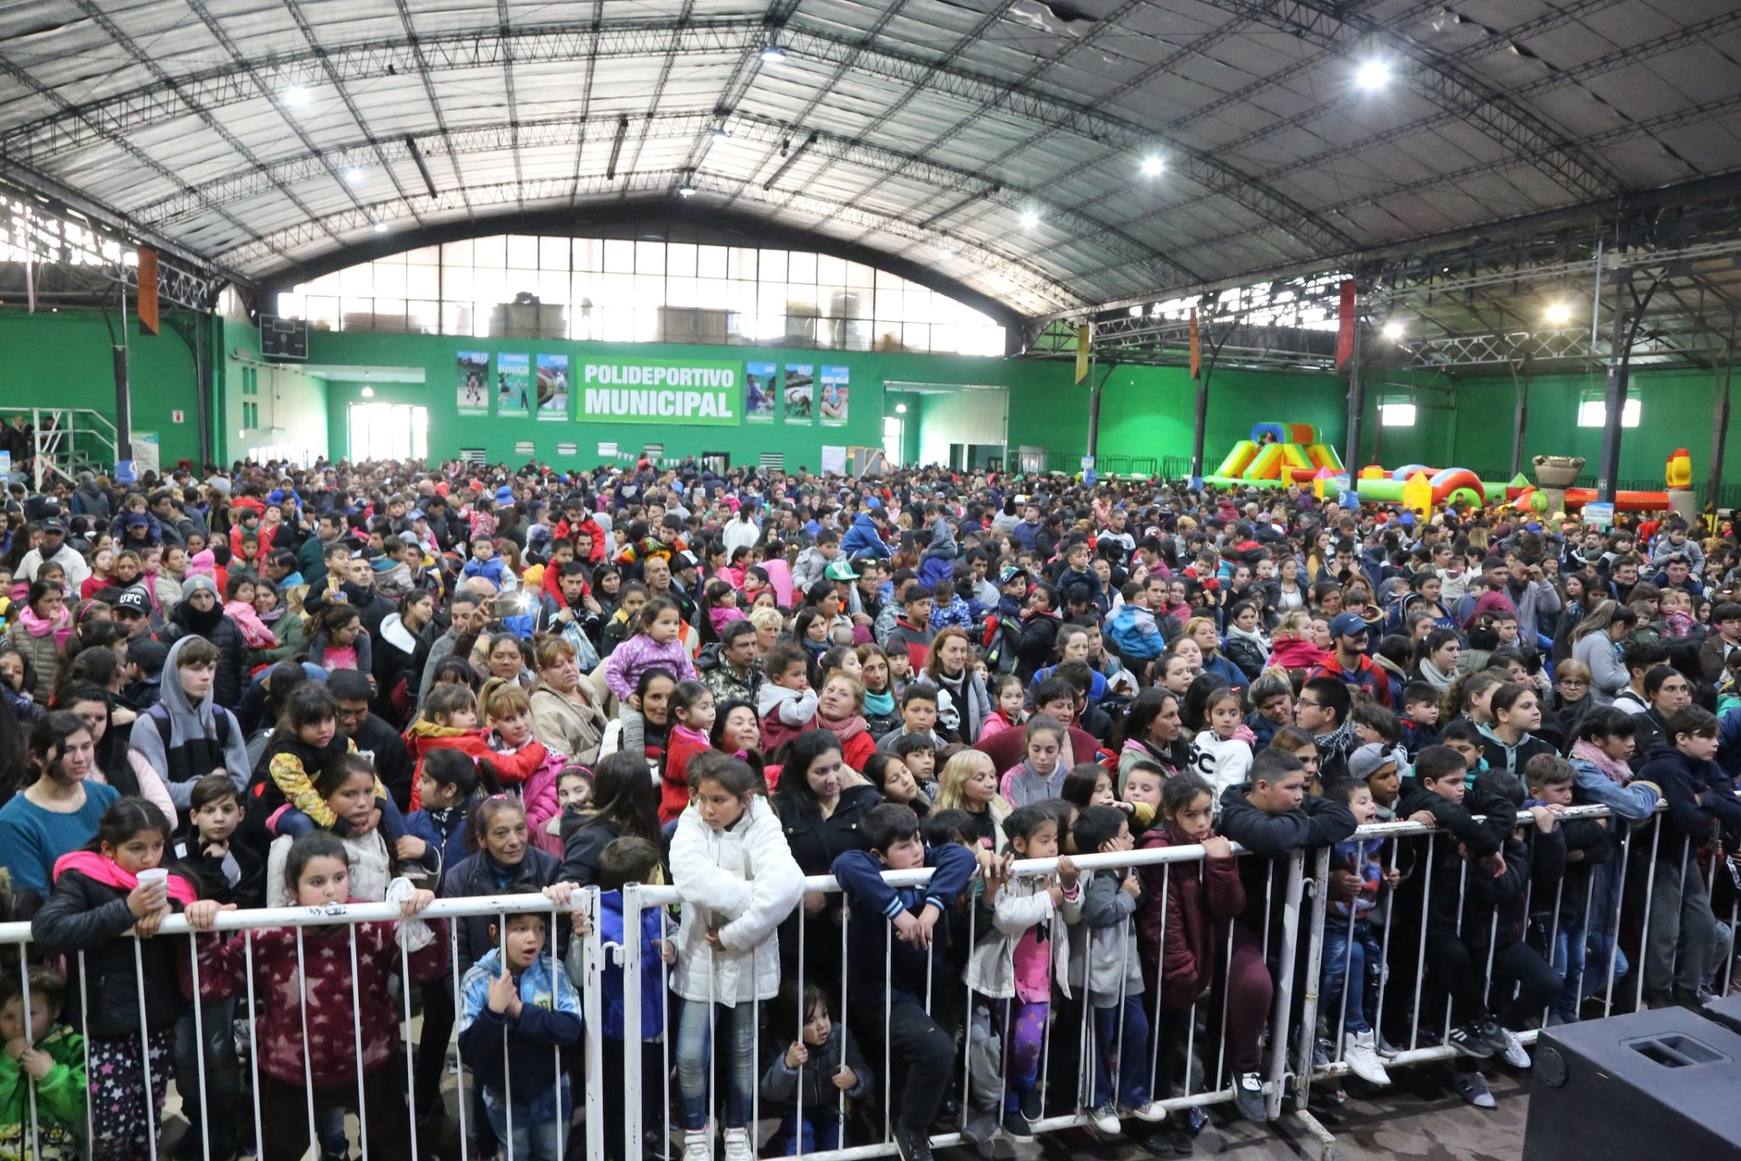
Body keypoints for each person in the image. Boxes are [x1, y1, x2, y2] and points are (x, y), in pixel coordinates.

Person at [189, 830, 444, 1161]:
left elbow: (428, 968)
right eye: (317, 881)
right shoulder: (268, 933)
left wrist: (427, 916)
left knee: (397, 1145)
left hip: (373, 1064)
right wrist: (203, 930)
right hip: (291, 1072)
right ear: (292, 888)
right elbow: (209, 982)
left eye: (339, 878)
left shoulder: (372, 921)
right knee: (280, 1151)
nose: (330, 890)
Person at [30, 798, 225, 1160]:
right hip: (105, 1023)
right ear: (108, 849)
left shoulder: (175, 883)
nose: (150, 858)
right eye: (137, 848)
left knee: (147, 1124)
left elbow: (192, 932)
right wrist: (126, 909)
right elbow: (48, 927)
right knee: (112, 1128)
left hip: (158, 1018)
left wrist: (179, 912)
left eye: (156, 847)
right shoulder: (81, 876)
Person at [669, 757, 804, 1161]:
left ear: (745, 798)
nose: (707, 808)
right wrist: (757, 899)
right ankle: (695, 1130)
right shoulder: (691, 822)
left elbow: (787, 883)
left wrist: (736, 933)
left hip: (748, 953)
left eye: (719, 800)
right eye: (702, 798)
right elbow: (690, 874)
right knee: (690, 1054)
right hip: (699, 952)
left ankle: (737, 1131)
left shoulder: (765, 823)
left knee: (743, 1053)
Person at [1214, 749, 1357, 1120]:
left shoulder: (1291, 807)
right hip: (1238, 923)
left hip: (1284, 921)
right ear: (1261, 787)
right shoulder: (1234, 810)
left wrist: (1299, 817)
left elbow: (1343, 817)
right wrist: (1305, 825)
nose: (1299, 796)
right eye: (1291, 787)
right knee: (1255, 985)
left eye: (1303, 789)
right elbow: (1271, 837)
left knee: (1300, 987)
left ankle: (1282, 1065)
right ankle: (1244, 1070)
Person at [832, 804, 976, 1161]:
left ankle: (905, 1128)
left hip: (928, 988)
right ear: (878, 856)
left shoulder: (929, 857)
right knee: (934, 1050)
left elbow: (960, 857)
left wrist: (931, 908)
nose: (916, 851)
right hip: (880, 993)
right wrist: (899, 914)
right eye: (904, 846)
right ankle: (909, 1129)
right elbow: (844, 864)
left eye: (917, 840)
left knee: (916, 1064)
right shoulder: (863, 866)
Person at [1065, 804, 1167, 1133]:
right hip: (1098, 974)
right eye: (1125, 835)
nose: (1133, 838)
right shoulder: (1094, 873)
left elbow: (1141, 895)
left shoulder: (1121, 869)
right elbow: (1097, 912)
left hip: (1126, 969)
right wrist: (1125, 895)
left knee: (1137, 1029)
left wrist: (1126, 879)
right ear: (1105, 847)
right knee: (1099, 1038)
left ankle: (1133, 1094)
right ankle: (1097, 1100)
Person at [1634, 706, 1741, 1009]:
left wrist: (1706, 799)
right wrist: (1713, 804)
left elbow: (1735, 809)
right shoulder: (1668, 766)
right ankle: (1659, 996)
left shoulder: (1704, 763)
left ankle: (1687, 991)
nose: (1716, 743)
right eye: (1707, 737)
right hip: (1655, 854)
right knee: (1664, 931)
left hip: (1683, 854)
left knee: (1703, 926)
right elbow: (1688, 819)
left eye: (1716, 737)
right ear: (1681, 738)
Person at [458, 903, 583, 1161]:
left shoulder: (554, 971)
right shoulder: (477, 979)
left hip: (552, 1091)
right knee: (515, 1154)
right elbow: (470, 1051)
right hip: (501, 1096)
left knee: (552, 1153)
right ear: (495, 933)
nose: (532, 938)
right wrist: (493, 1011)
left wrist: (518, 1010)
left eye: (539, 928)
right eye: (520, 928)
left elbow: (571, 1028)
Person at [125, 636, 251, 828]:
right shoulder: (150, 724)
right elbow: (159, 794)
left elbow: (241, 782)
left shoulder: (224, 718)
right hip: (174, 834)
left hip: (223, 829)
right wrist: (212, 782)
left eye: (210, 668)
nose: (206, 676)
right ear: (175, 672)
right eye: (196, 668)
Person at [0, 713, 120, 897]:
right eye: (68, 750)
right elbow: (34, 900)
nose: (80, 758)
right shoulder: (14, 822)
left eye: (86, 747)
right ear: (36, 757)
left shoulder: (107, 796)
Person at [758, 983, 874, 1156]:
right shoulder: (781, 1044)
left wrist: (854, 1079)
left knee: (837, 1142)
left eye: (824, 1015)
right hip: (792, 1111)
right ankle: (774, 1149)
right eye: (810, 1021)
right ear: (793, 1025)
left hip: (830, 1109)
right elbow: (769, 1092)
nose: (822, 1025)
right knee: (801, 1138)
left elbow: (866, 1074)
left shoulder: (840, 1035)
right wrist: (787, 1065)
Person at [0, 965, 85, 1160]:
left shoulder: (71, 1046)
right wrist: (6, 1065)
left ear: (54, 1010)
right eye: (8, 1016)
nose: (19, 1026)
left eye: (30, 1014)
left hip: (58, 1150)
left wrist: (51, 1075)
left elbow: (76, 1108)